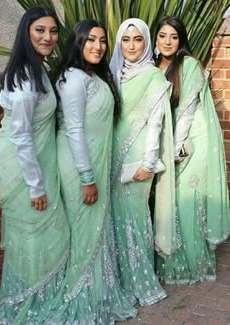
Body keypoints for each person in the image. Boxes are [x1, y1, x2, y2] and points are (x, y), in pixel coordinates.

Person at [50, 19, 137, 324]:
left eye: (102, 40)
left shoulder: (93, 76)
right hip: (78, 166)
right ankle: (78, 296)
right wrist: (87, 177)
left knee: (94, 232)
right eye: (91, 40)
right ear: (77, 42)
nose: (98, 46)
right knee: (84, 233)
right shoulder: (73, 78)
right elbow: (73, 129)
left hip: (93, 163)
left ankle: (96, 292)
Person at [0, 6, 70, 324]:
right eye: (40, 30)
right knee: (38, 236)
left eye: (53, 31)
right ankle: (28, 306)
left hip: (38, 162)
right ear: (26, 31)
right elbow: (22, 136)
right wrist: (35, 186)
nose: (48, 37)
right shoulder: (25, 77)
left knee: (43, 238)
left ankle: (39, 298)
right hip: (26, 170)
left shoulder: (36, 69)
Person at [154, 16, 230, 284]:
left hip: (191, 143)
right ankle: (170, 260)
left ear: (181, 40)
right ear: (155, 38)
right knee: (170, 199)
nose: (167, 41)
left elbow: (186, 112)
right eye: (163, 36)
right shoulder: (155, 67)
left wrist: (175, 153)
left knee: (185, 198)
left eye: (173, 37)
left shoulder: (189, 65)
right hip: (171, 141)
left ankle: (193, 264)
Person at [109, 18, 178, 305]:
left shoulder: (152, 76)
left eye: (138, 39)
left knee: (134, 219)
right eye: (126, 40)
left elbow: (155, 124)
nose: (132, 46)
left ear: (147, 42)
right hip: (110, 159)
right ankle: (119, 279)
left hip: (137, 162)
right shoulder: (113, 73)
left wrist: (148, 164)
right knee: (114, 219)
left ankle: (139, 279)